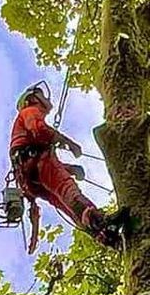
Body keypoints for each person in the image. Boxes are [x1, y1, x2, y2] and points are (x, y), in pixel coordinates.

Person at [8, 84, 121, 253]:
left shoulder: (23, 130)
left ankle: (104, 236)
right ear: (31, 99)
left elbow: (48, 168)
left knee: (65, 204)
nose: (46, 98)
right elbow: (39, 130)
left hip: (29, 177)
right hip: (36, 161)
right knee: (67, 191)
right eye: (41, 95)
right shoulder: (29, 111)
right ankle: (99, 221)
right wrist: (68, 143)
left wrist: (71, 169)